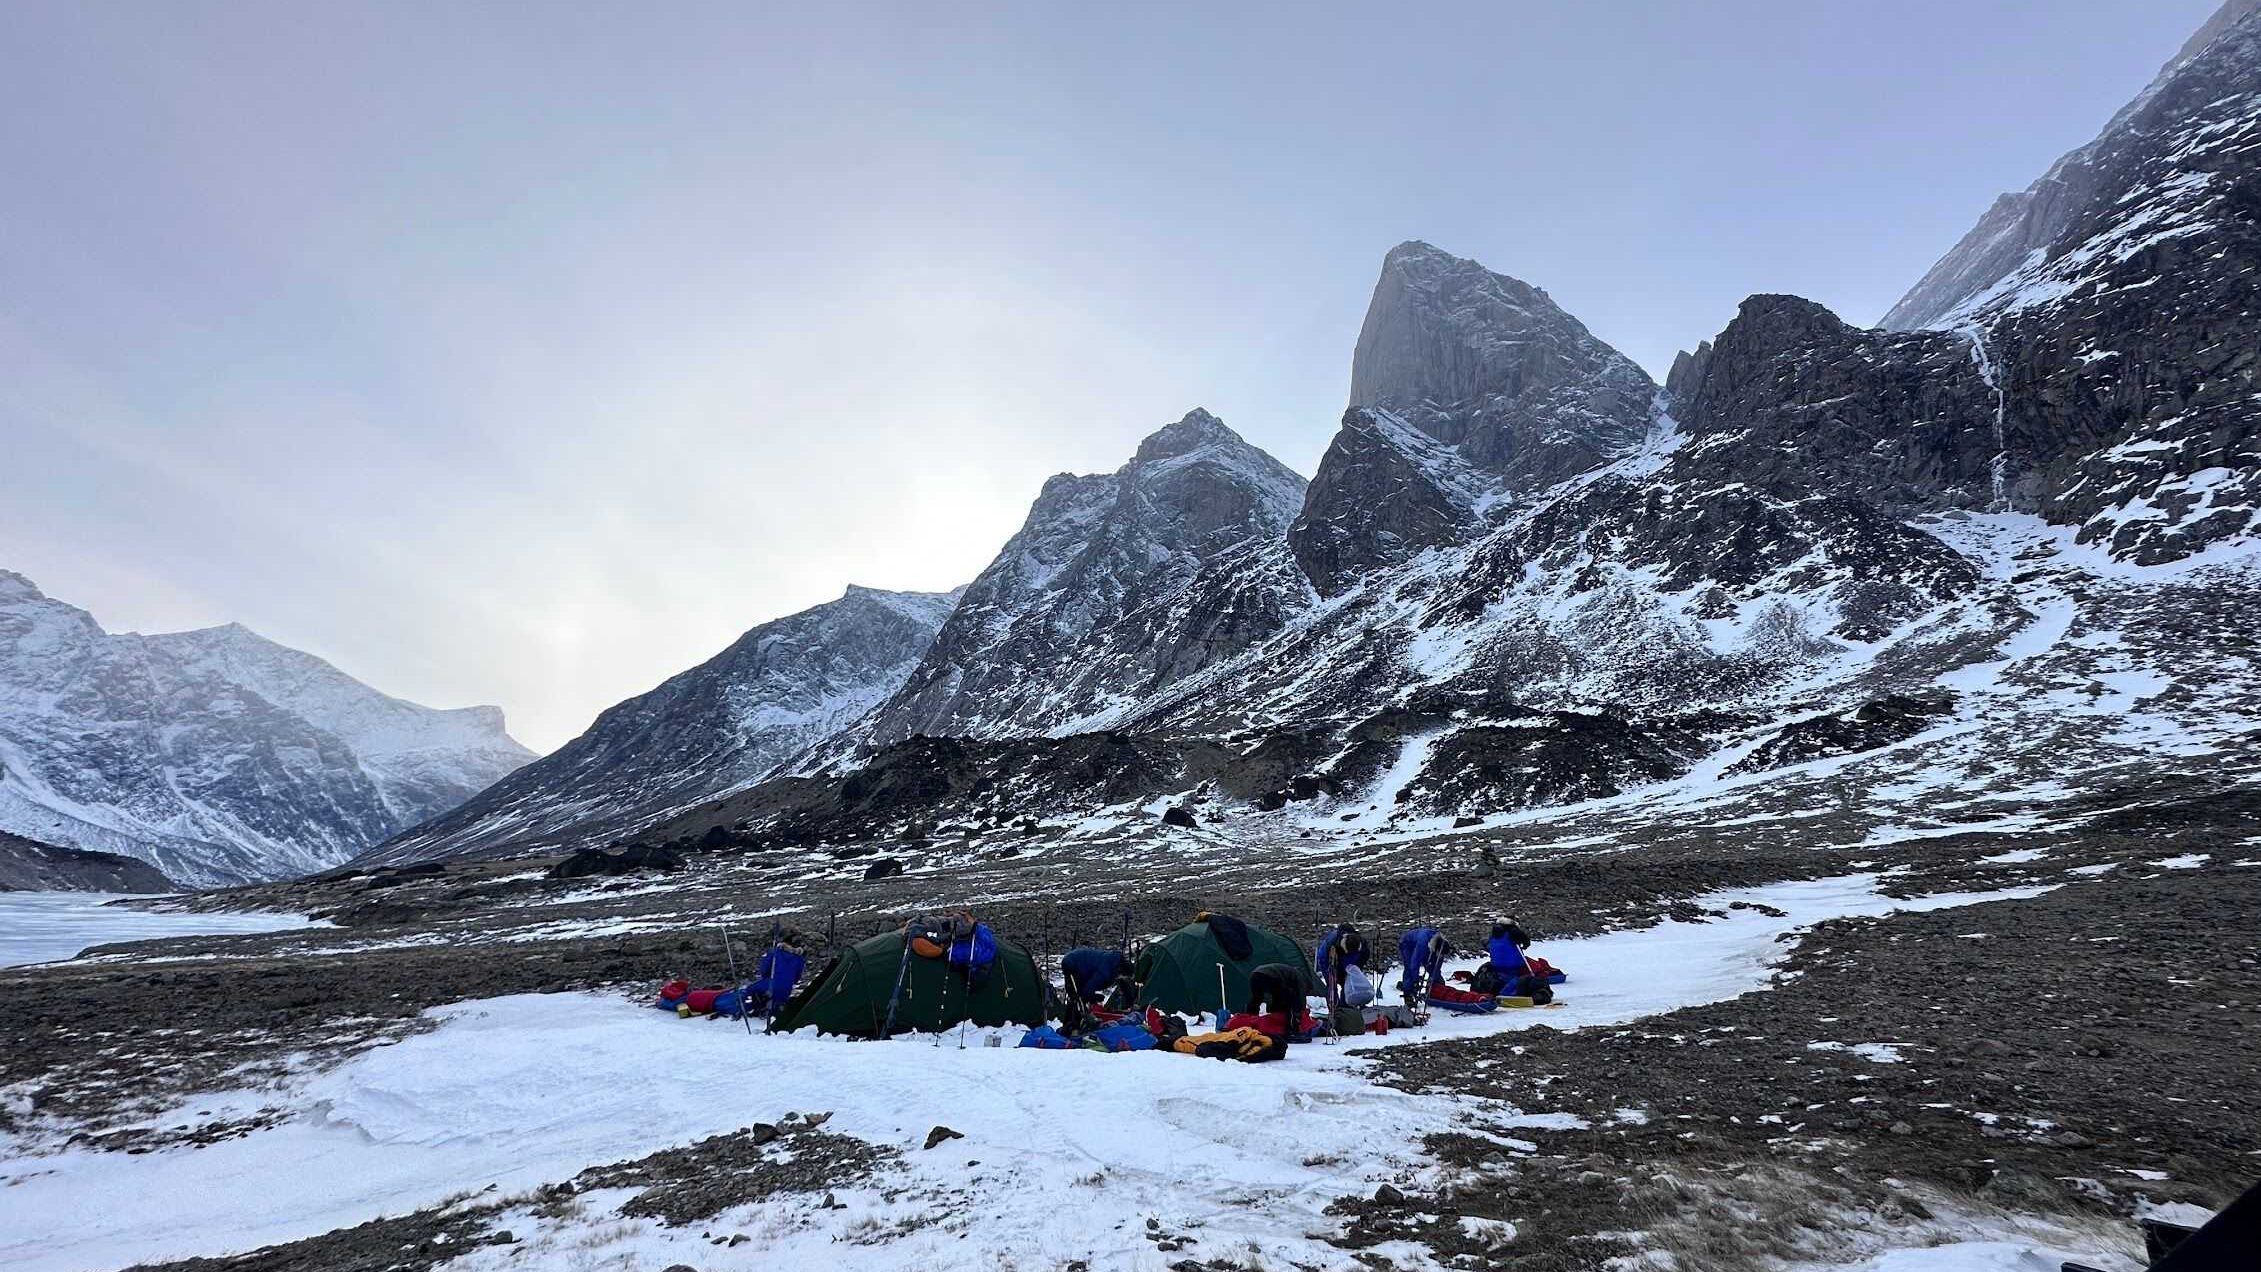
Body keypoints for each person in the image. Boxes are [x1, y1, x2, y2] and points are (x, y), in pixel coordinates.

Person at [1243, 962, 1310, 1038]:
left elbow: (1277, 995)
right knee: (1291, 1001)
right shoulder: (1299, 978)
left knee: (1257, 999)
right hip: (1270, 976)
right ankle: (1291, 1030)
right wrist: (1301, 1012)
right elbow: (1300, 998)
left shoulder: (1289, 972)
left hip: (1255, 974)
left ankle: (1249, 1022)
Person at [1314, 923, 1370, 1009]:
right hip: (1328, 961)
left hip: (1349, 963)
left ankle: (1347, 1008)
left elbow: (1364, 957)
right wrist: (1336, 974)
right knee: (1332, 986)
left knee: (1348, 984)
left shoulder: (1362, 944)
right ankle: (1335, 1009)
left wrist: (1355, 969)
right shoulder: (1332, 945)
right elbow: (1327, 964)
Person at [1061, 946, 1131, 1007]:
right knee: (1077, 996)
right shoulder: (1104, 972)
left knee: (1083, 996)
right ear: (1121, 972)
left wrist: (1130, 1002)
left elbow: (1123, 985)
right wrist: (1095, 998)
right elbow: (1088, 990)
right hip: (1072, 963)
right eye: (1124, 977)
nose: (1124, 979)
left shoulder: (1114, 964)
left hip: (1082, 964)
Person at [1396, 926, 1454, 1000]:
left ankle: (1436, 990)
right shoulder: (1422, 944)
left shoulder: (1442, 943)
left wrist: (1435, 978)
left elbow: (1437, 965)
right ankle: (1408, 994)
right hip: (1408, 944)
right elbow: (1415, 964)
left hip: (1428, 944)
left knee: (1432, 968)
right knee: (1409, 968)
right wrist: (1415, 980)